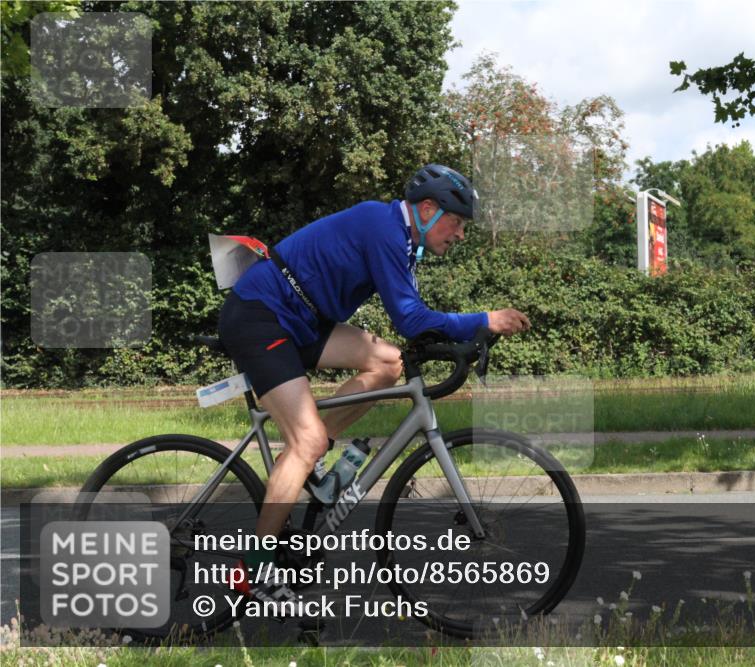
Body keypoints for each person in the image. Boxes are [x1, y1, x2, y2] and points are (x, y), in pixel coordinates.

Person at [217, 164, 530, 603]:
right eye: (456, 223)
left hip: (302, 320)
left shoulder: (400, 240)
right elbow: (409, 316)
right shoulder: (383, 227)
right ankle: (253, 571)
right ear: (426, 209)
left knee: (388, 362)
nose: (459, 235)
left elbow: (413, 322)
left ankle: (311, 462)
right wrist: (484, 321)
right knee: (304, 442)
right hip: (261, 316)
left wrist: (463, 336)